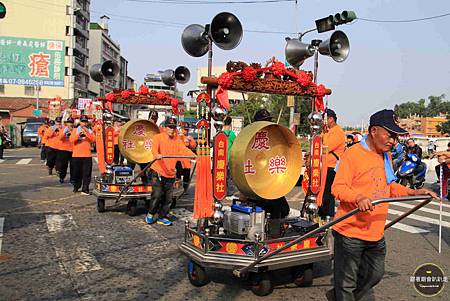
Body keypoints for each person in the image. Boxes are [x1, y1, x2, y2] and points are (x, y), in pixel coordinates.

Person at [328, 109, 437, 301]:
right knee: (346, 282)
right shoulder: (353, 154)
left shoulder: (384, 156)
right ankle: (342, 294)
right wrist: (358, 197)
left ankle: (339, 295)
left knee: (375, 274)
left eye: (395, 137)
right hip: (350, 232)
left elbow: (389, 186)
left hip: (375, 232)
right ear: (374, 131)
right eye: (390, 135)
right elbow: (338, 187)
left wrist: (414, 192)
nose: (393, 141)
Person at [145, 117, 195, 226]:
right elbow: (154, 149)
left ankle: (162, 217)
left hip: (170, 173)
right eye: (169, 127)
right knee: (157, 195)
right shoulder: (158, 137)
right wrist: (156, 155)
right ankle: (151, 213)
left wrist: (195, 156)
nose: (172, 129)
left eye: (173, 127)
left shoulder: (177, 140)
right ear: (164, 127)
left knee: (168, 199)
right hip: (157, 171)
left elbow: (184, 150)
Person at [246, 109, 290, 219]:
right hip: (255, 184)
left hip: (270, 183)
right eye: (264, 121)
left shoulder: (273, 137)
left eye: (268, 121)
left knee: (284, 210)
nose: (267, 124)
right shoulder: (249, 137)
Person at [319, 109, 345, 219]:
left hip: (331, 166)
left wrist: (322, 136)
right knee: (322, 191)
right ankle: (322, 213)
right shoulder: (328, 131)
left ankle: (328, 215)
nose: (322, 122)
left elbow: (326, 147)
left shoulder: (338, 131)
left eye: (324, 119)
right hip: (324, 165)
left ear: (331, 119)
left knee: (328, 192)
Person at [70, 115, 95, 195]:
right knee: (76, 173)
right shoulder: (75, 130)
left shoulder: (89, 130)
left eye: (85, 122)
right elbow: (71, 140)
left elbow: (94, 139)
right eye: (82, 121)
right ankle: (76, 186)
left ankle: (85, 189)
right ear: (80, 122)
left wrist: (87, 132)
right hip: (76, 155)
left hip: (87, 155)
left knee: (87, 173)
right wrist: (78, 135)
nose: (84, 123)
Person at [176, 122, 196, 192]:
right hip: (179, 160)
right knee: (178, 175)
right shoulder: (178, 136)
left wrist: (190, 141)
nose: (186, 131)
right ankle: (177, 189)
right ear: (181, 129)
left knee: (186, 176)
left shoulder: (189, 137)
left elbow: (193, 146)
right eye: (185, 129)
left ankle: (185, 189)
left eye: (187, 129)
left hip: (187, 160)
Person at [56, 118, 74, 184]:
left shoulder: (75, 130)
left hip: (72, 150)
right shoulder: (63, 129)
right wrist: (65, 132)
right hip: (63, 150)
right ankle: (62, 177)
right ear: (66, 123)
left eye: (71, 122)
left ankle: (72, 179)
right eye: (68, 122)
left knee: (73, 166)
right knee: (63, 165)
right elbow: (60, 138)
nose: (70, 124)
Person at [223, 116, 237, 199]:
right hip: (229, 158)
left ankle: (222, 192)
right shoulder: (231, 134)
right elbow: (236, 143)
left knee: (222, 176)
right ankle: (230, 194)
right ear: (230, 124)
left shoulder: (220, 133)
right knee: (230, 177)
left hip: (221, 159)